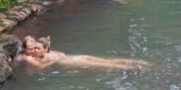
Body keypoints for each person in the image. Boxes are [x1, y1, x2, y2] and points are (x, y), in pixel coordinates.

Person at [19, 35, 147, 70]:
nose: (33, 50)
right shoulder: (28, 57)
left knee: (106, 61)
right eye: (31, 48)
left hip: (72, 59)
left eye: (34, 47)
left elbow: (49, 52)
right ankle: (133, 67)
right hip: (71, 61)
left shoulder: (41, 52)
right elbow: (41, 66)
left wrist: (59, 55)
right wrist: (56, 59)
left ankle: (136, 62)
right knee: (106, 65)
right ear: (25, 49)